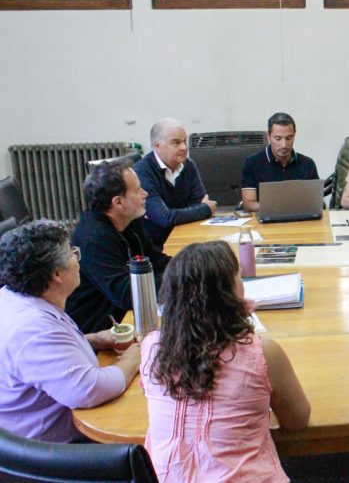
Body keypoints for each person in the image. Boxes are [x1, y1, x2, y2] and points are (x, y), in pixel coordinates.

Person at [141, 241, 310, 482]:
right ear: (229, 295)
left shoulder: (152, 348)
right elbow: (297, 420)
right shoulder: (262, 353)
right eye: (239, 278)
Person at [0, 220, 140, 442]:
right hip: (53, 453)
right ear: (57, 273)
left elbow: (38, 358)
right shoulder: (34, 330)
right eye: (72, 253)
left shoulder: (13, 298)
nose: (77, 259)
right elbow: (89, 390)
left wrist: (93, 340)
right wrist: (133, 359)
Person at [65, 158, 170, 334]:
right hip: (103, 326)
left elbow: (154, 258)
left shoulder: (129, 219)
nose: (145, 193)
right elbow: (127, 294)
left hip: (128, 315)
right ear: (118, 203)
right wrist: (180, 279)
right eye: (137, 190)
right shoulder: (94, 239)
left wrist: (186, 267)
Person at [133, 118, 217, 249]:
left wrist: (191, 211)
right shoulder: (142, 172)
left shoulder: (188, 165)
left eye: (184, 141)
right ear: (157, 146)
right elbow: (163, 218)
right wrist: (205, 209)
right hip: (156, 244)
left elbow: (198, 202)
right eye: (176, 143)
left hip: (188, 234)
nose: (184, 147)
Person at [241, 112, 320, 213]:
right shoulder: (252, 163)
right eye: (278, 138)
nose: (284, 145)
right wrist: (283, 209)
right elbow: (249, 205)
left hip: (299, 220)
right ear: (269, 136)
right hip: (266, 220)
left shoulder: (307, 164)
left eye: (289, 138)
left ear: (294, 135)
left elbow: (315, 202)